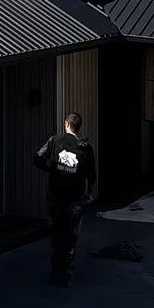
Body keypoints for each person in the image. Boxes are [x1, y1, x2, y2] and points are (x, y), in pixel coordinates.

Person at [33, 110, 96, 285]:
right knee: (70, 237)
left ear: (66, 124)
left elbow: (37, 158)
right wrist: (89, 193)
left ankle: (55, 269)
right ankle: (66, 274)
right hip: (74, 199)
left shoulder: (54, 140)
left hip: (55, 196)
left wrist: (51, 170)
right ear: (78, 126)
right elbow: (91, 174)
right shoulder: (85, 147)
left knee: (56, 234)